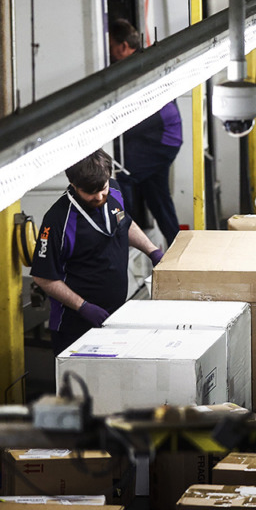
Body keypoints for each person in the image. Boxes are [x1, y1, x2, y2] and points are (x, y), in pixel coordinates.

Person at [31, 149, 164, 356]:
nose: (100, 196)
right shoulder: (57, 221)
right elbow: (43, 277)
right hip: (76, 325)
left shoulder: (115, 192)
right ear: (74, 185)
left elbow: (124, 224)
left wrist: (152, 251)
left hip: (116, 315)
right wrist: (82, 306)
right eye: (90, 192)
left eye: (103, 188)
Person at [110, 18, 183, 247]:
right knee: (158, 198)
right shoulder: (143, 60)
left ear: (123, 46)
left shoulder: (135, 67)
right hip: (167, 136)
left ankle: (125, 238)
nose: (110, 52)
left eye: (111, 46)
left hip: (160, 135)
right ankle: (177, 249)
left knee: (121, 174)